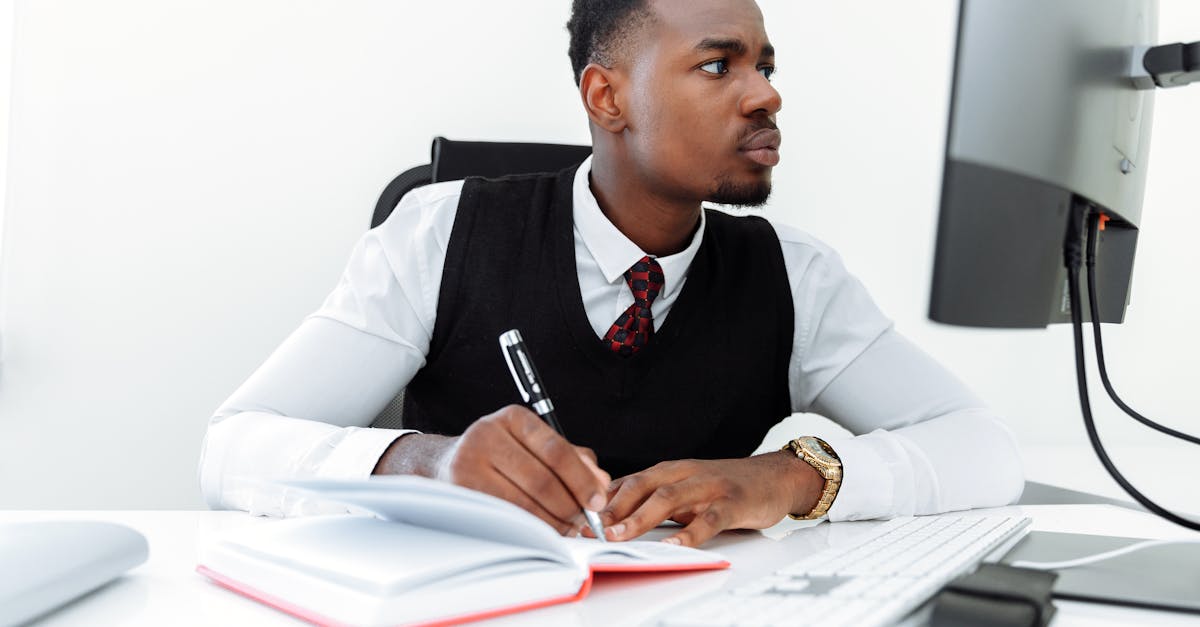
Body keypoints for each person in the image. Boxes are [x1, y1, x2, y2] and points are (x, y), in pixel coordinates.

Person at [199, 0, 1024, 548]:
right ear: (608, 96)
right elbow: (232, 446)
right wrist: (428, 462)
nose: (764, 96)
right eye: (718, 66)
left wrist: (788, 476)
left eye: (766, 67)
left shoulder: (795, 274)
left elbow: (984, 447)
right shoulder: (440, 231)